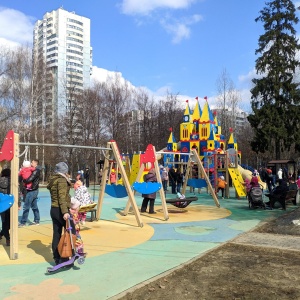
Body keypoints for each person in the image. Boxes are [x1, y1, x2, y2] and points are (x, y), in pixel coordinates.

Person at [47, 162, 75, 265]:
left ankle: (57, 258)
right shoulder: (62, 180)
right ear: (64, 171)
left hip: (53, 209)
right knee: (71, 232)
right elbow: (62, 197)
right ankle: (67, 255)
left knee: (57, 234)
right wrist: (65, 212)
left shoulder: (53, 179)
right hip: (60, 210)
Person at [19, 159, 41, 227]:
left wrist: (24, 180)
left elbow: (29, 179)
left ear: (36, 163)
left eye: (32, 162)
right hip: (33, 189)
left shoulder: (35, 171)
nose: (31, 163)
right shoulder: (33, 170)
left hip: (32, 190)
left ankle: (23, 222)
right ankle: (37, 220)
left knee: (26, 206)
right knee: (34, 206)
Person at [0, 168, 11, 246]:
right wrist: (19, 203)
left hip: (1, 202)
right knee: (8, 221)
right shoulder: (12, 181)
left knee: (4, 221)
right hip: (10, 203)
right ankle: (7, 238)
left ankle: (2, 234)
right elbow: (17, 191)